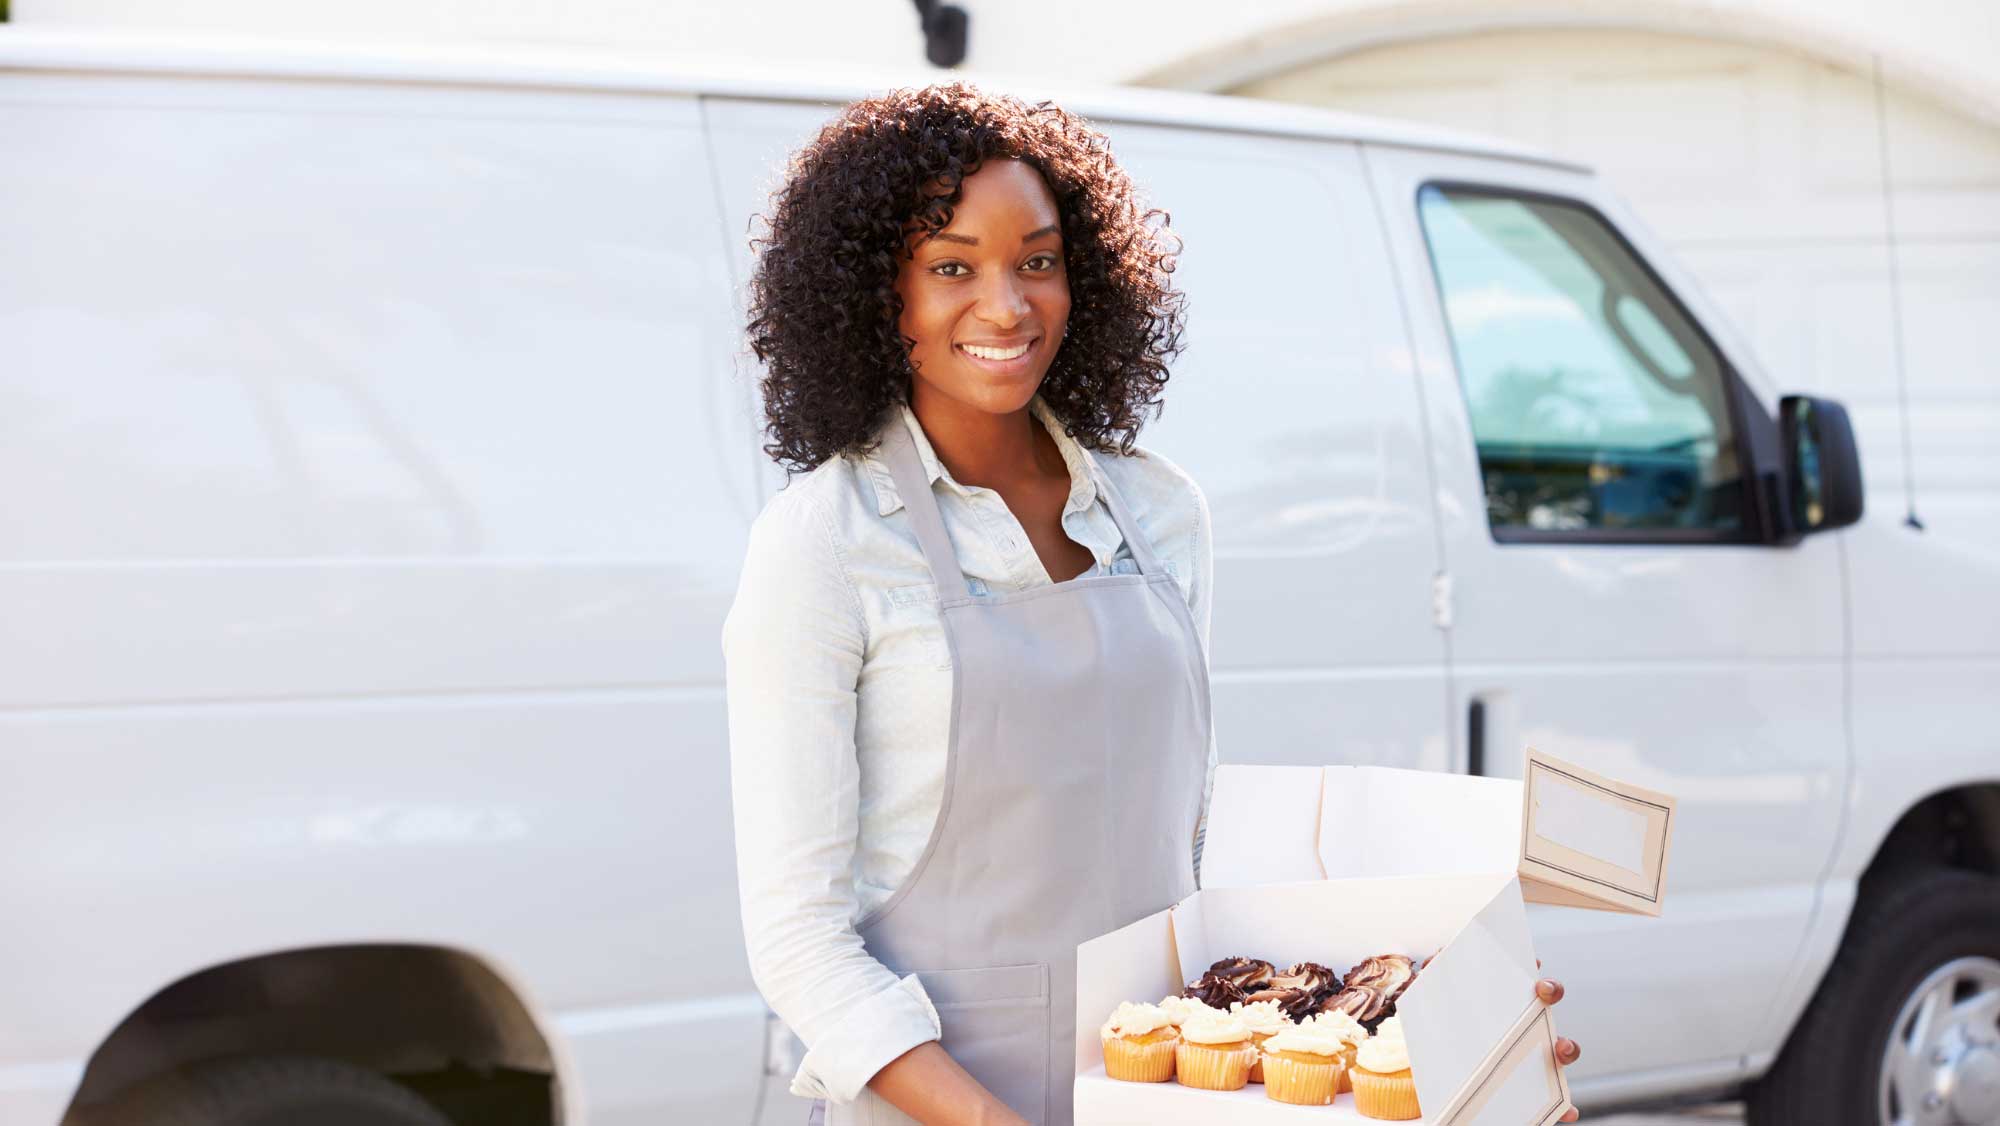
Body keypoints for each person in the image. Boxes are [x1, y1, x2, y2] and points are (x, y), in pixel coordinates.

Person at [721, 82, 1581, 1126]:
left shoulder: (1157, 511)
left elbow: (1189, 851)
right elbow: (797, 938)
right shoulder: (825, 542)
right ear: (875, 297)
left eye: (1036, 261)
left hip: (1163, 1087)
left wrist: (1432, 1021)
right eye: (952, 267)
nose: (1006, 305)